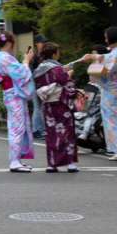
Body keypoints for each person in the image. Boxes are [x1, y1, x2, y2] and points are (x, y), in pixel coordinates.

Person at [83, 26, 117, 161]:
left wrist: (94, 59)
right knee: (115, 117)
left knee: (114, 118)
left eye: (106, 37)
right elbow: (107, 58)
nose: (106, 40)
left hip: (113, 89)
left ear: (112, 38)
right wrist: (95, 56)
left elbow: (108, 63)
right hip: (115, 88)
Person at [32, 43, 80, 172]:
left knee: (51, 134)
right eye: (57, 53)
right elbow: (69, 86)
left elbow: (38, 87)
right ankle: (69, 163)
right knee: (67, 133)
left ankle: (52, 163)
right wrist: (68, 74)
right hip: (61, 105)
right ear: (54, 55)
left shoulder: (38, 71)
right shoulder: (58, 69)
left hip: (48, 105)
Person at [0, 31, 35, 172]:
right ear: (9, 43)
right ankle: (14, 161)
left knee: (18, 125)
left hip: (12, 94)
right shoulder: (6, 59)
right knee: (16, 127)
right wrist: (26, 61)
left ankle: (17, 159)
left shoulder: (3, 58)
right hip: (13, 95)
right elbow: (21, 74)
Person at [30, 33, 48, 140]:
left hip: (44, 84)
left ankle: (41, 130)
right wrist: (39, 73)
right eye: (42, 42)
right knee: (37, 107)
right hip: (35, 83)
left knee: (43, 107)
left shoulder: (45, 55)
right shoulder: (34, 55)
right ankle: (36, 130)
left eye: (45, 42)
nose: (44, 44)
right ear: (36, 43)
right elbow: (29, 69)